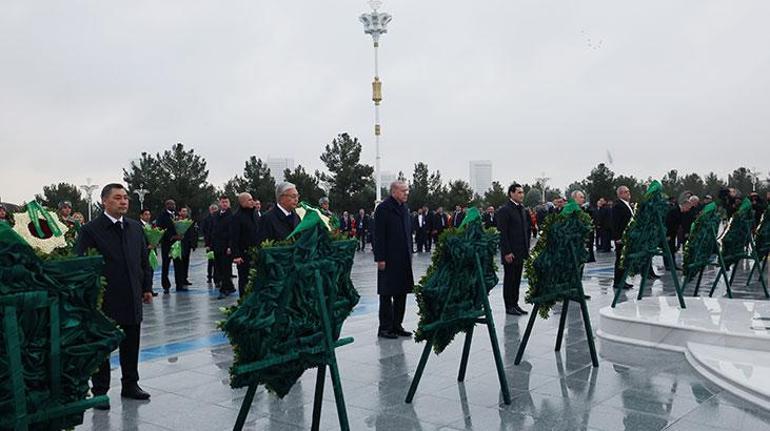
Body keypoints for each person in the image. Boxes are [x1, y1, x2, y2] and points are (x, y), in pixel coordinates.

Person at [75, 183, 153, 407]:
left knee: (131, 343)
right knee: (103, 347)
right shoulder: (90, 230)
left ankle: (131, 384)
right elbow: (82, 264)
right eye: (118, 198)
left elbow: (143, 261)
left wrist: (146, 287)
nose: (124, 201)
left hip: (131, 296)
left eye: (126, 197)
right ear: (104, 201)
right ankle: (100, 391)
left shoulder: (135, 227)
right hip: (105, 300)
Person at [374, 181, 414, 339]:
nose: (406, 193)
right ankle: (384, 328)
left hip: (403, 258)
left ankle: (397, 325)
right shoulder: (383, 208)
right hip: (389, 258)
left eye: (407, 191)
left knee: (401, 292)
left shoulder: (404, 209)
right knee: (386, 293)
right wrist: (380, 258)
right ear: (394, 192)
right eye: (403, 191)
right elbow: (378, 235)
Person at [497, 183, 531, 315]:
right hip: (510, 252)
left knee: (517, 279)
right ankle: (509, 305)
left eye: (522, 192)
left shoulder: (522, 209)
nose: (522, 195)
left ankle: (515, 304)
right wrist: (506, 252)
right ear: (511, 193)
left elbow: (525, 230)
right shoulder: (505, 210)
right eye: (519, 192)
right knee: (510, 279)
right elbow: (503, 233)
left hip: (520, 251)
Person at [230, 192, 260, 298]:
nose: (252, 202)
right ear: (242, 202)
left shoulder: (255, 214)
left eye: (252, 199)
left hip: (256, 253)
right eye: (249, 200)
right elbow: (234, 237)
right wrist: (236, 255)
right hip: (243, 255)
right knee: (244, 279)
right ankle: (243, 301)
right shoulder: (237, 217)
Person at [213, 196, 235, 297]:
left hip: (226, 246)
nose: (224, 204)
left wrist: (230, 246)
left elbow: (232, 232)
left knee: (226, 268)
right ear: (219, 203)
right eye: (223, 202)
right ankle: (230, 287)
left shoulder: (231, 216)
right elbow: (212, 230)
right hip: (217, 245)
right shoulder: (216, 215)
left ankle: (224, 289)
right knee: (219, 268)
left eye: (226, 202)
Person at [612, 186, 634, 289]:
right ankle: (618, 282)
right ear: (620, 194)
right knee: (620, 259)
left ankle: (622, 280)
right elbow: (615, 222)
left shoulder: (627, 204)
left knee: (624, 259)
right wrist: (617, 237)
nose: (628, 193)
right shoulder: (618, 205)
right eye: (625, 192)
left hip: (628, 237)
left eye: (628, 191)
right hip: (621, 238)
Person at [155, 199, 178, 294]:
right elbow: (160, 228)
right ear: (166, 205)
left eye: (174, 204)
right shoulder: (161, 216)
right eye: (171, 204)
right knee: (166, 265)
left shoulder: (176, 215)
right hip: (167, 244)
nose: (173, 206)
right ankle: (166, 285)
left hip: (177, 244)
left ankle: (179, 283)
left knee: (178, 264)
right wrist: (171, 236)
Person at [173, 207, 196, 290]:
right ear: (179, 212)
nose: (185, 212)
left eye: (186, 211)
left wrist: (193, 244)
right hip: (179, 245)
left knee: (186, 262)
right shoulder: (176, 221)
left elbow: (193, 233)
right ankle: (180, 281)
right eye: (183, 211)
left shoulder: (189, 221)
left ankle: (185, 278)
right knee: (180, 264)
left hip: (187, 245)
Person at [200, 204, 219, 283]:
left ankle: (217, 277)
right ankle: (209, 276)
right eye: (213, 209)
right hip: (210, 243)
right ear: (210, 210)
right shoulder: (206, 219)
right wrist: (207, 244)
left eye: (215, 209)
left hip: (218, 243)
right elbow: (204, 231)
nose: (214, 210)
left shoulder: (219, 218)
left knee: (217, 261)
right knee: (210, 260)